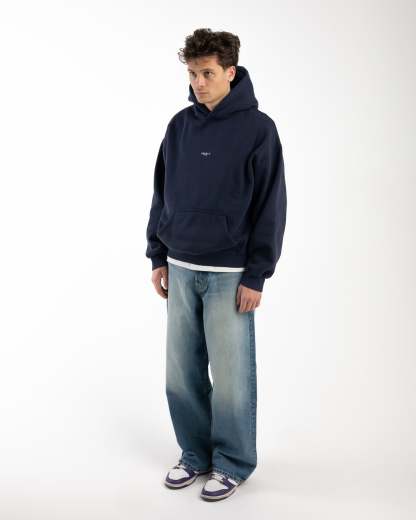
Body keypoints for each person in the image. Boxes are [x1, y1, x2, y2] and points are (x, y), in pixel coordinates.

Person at [145, 28, 287, 501]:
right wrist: (157, 254)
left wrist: (257, 274)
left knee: (230, 379)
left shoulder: (259, 129)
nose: (198, 83)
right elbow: (161, 193)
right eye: (192, 74)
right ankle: (195, 454)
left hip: (230, 274)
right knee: (181, 374)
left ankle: (232, 463)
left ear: (230, 71)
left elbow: (271, 205)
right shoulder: (179, 126)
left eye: (207, 73)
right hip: (180, 267)